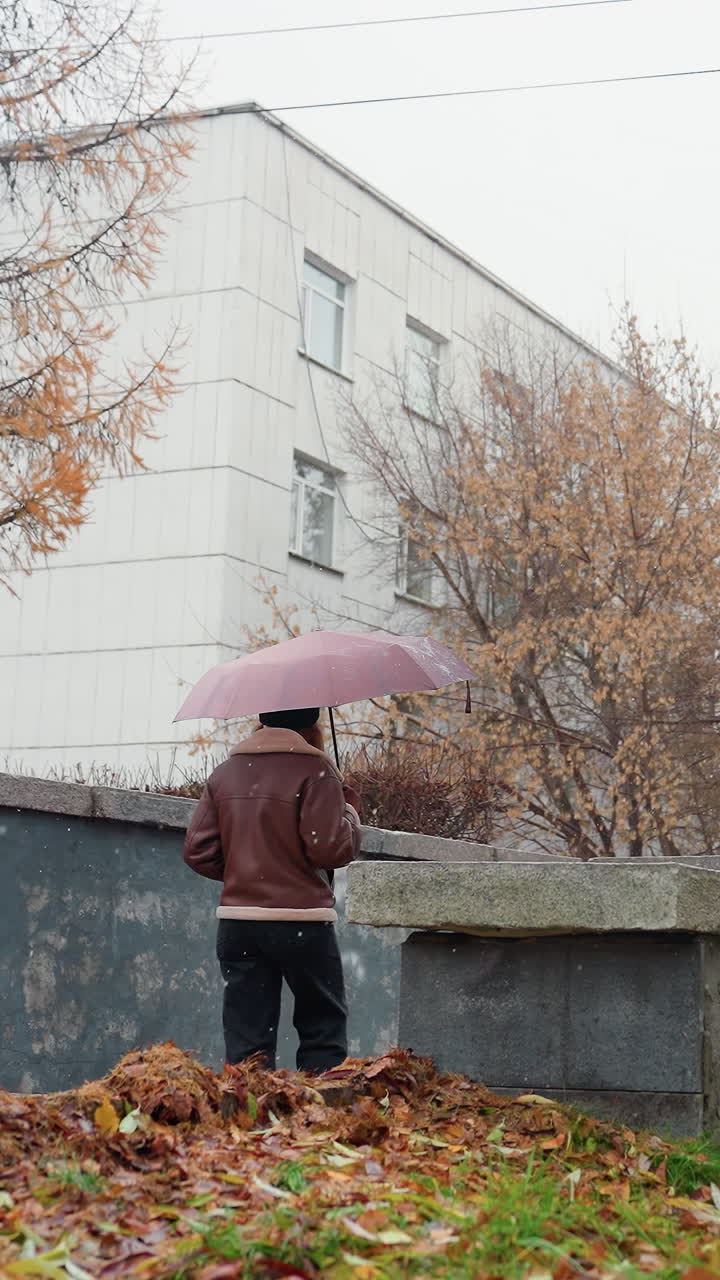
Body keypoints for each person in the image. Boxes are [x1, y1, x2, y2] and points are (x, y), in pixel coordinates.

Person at [183, 707, 361, 1073]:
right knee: (321, 1027)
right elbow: (329, 850)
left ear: (261, 721)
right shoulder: (317, 772)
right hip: (302, 921)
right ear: (312, 723)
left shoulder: (225, 774)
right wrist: (350, 817)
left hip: (239, 924)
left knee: (247, 1036)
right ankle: (320, 1118)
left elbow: (198, 851)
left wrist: (247, 875)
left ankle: (246, 1122)